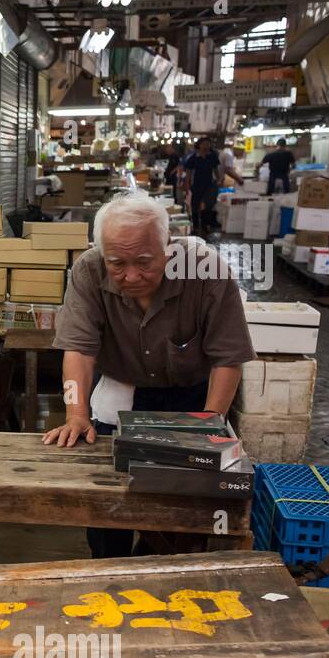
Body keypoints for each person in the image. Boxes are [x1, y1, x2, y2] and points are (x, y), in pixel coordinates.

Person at [42, 192, 256, 558]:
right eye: (117, 263)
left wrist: (209, 423)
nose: (131, 276)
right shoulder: (88, 270)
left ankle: (166, 565)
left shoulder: (207, 270)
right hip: (121, 393)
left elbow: (227, 358)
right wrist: (76, 414)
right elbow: (78, 349)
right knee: (109, 501)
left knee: (186, 507)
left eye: (144, 262)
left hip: (195, 397)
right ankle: (109, 569)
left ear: (168, 247)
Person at [181, 136, 220, 237]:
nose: (206, 145)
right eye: (204, 143)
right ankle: (195, 226)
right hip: (197, 185)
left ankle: (204, 226)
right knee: (195, 206)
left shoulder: (213, 157)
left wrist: (219, 181)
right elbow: (188, 173)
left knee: (208, 206)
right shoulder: (193, 158)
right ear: (199, 145)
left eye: (208, 143)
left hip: (209, 185)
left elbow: (216, 170)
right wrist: (187, 185)